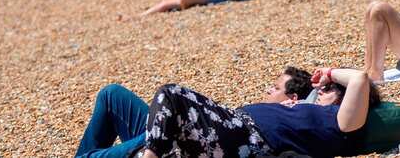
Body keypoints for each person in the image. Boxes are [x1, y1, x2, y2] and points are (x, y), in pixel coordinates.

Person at [132, 66, 379, 158]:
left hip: (244, 135)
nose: (321, 92)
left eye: (328, 90)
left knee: (173, 94)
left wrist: (329, 73)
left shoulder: (342, 124)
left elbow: (360, 78)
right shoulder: (312, 112)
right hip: (231, 129)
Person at [74, 67, 314, 158]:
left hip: (173, 146)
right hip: (169, 134)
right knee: (111, 94)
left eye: (275, 88)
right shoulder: (267, 114)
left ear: (292, 100)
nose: (268, 89)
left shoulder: (277, 129)